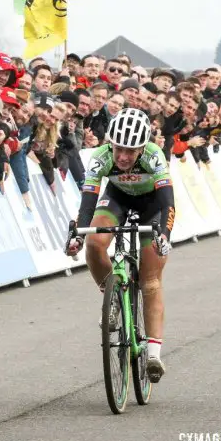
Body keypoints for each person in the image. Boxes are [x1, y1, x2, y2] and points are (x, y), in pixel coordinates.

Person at [66, 108, 174, 384]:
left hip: (152, 206)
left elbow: (167, 201)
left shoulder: (154, 155)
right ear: (110, 143)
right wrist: (78, 234)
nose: (124, 157)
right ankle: (112, 296)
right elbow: (88, 200)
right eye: (118, 150)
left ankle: (153, 354)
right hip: (117, 199)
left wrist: (165, 234)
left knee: (150, 282)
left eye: (131, 151)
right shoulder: (100, 157)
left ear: (142, 149)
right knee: (95, 242)